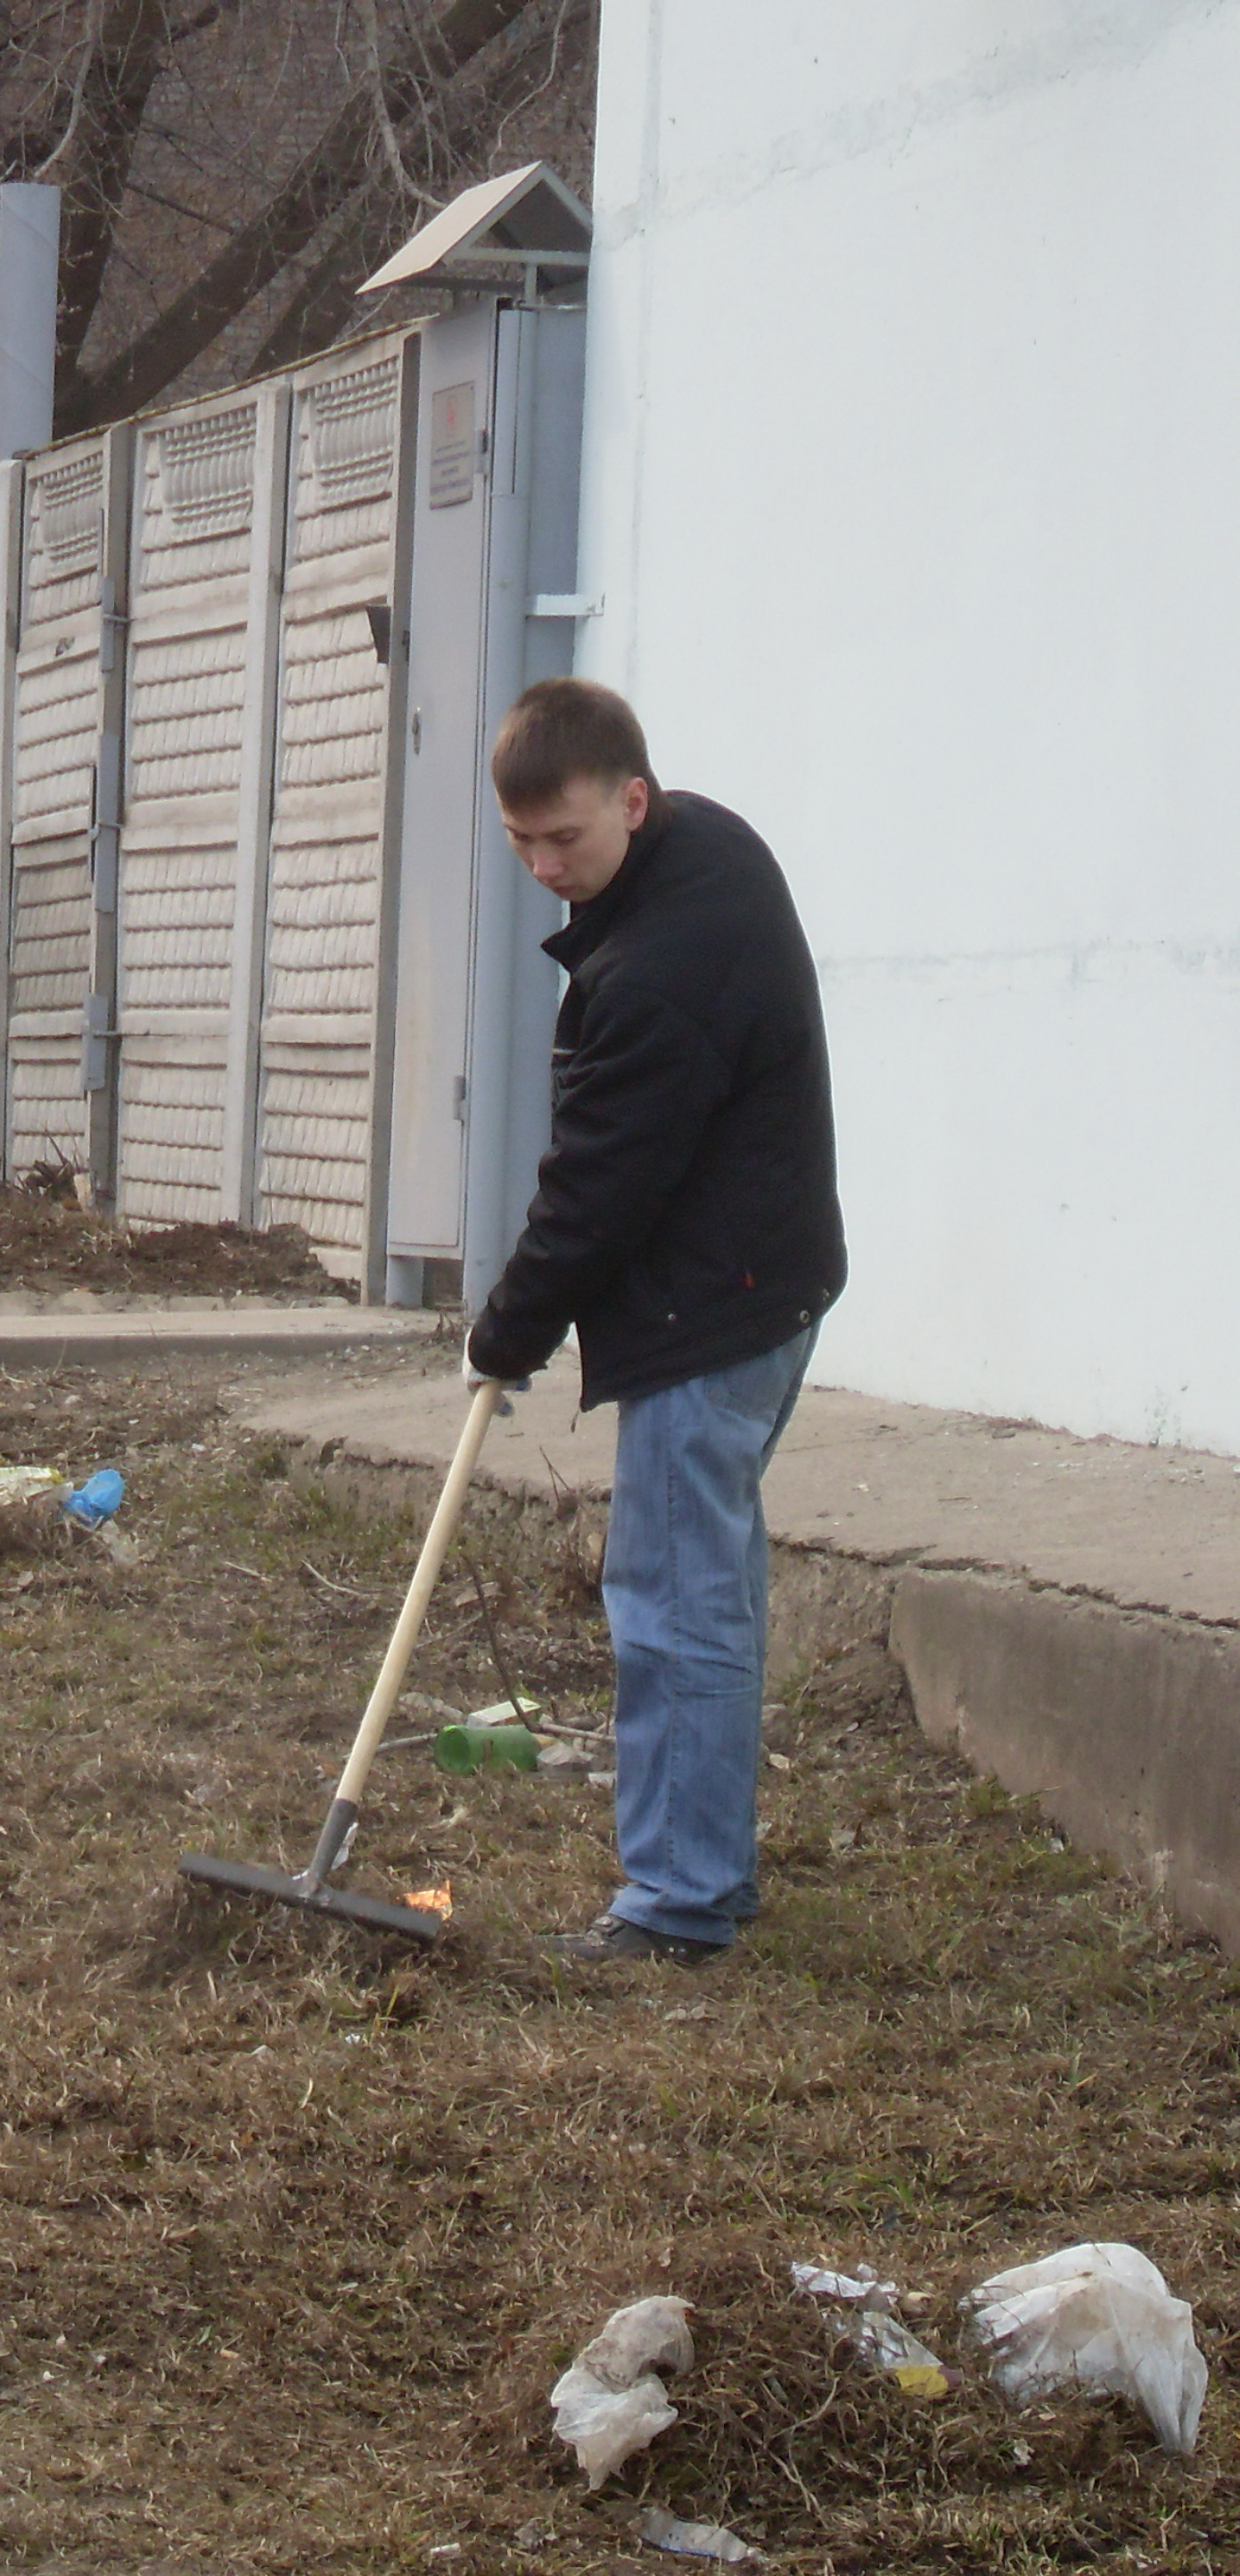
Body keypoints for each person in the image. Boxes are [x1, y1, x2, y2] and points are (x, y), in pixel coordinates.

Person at [464, 677, 847, 1969]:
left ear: (632, 799)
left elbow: (596, 1191)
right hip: (764, 1281)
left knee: (674, 1602)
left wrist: (506, 1331)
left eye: (563, 840)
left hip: (718, 1306)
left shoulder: (659, 971)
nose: (542, 868)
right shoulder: (701, 846)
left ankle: (678, 1903)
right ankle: (707, 1880)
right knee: (707, 1593)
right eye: (520, 844)